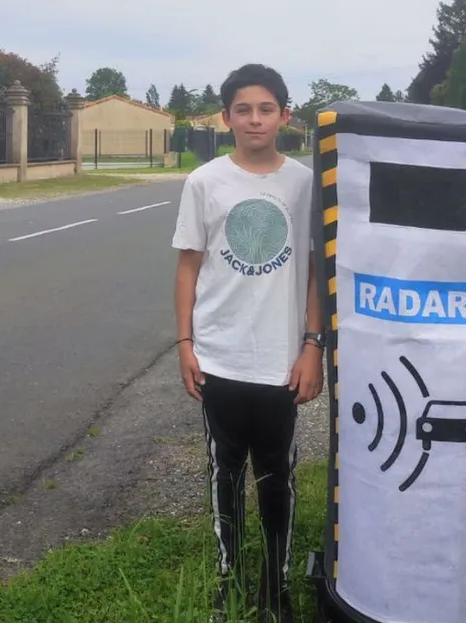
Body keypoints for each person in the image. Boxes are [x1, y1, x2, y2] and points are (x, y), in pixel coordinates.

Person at [171, 63, 324, 623]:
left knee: (277, 477)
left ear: (285, 115)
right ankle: (229, 579)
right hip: (220, 357)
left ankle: (275, 588)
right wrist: (186, 342)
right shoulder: (205, 182)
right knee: (225, 473)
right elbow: (189, 267)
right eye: (243, 109)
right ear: (225, 117)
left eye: (265, 109)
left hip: (283, 361)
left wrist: (314, 346)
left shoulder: (308, 184)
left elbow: (314, 273)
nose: (254, 119)